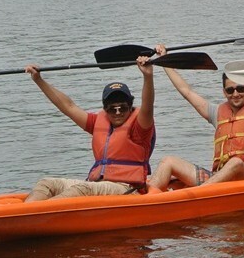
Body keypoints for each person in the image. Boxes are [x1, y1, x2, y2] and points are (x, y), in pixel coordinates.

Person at [147, 27, 244, 191]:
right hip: (218, 177)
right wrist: (164, 60)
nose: (236, 94)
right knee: (168, 161)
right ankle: (147, 202)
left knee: (235, 162)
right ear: (224, 92)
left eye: (240, 89)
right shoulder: (217, 112)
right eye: (230, 90)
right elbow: (186, 92)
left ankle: (200, 193)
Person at [22, 45, 164, 202]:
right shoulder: (97, 122)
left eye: (123, 107)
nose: (118, 112)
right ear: (105, 109)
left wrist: (148, 76)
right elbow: (68, 106)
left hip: (126, 188)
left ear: (130, 107)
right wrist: (39, 80)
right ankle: (22, 213)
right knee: (46, 184)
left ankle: (40, 213)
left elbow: (148, 105)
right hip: (96, 185)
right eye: (112, 109)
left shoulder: (140, 128)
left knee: (82, 189)